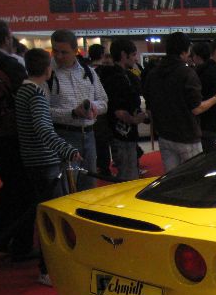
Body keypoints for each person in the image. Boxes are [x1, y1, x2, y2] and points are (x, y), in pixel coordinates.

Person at [14, 48, 81, 285]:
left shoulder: (22, 91)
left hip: (32, 160)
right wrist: (68, 150)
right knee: (51, 219)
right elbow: (43, 129)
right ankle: (48, 268)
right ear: (47, 68)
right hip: (44, 162)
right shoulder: (36, 94)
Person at [143, 31, 216, 172]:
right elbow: (196, 108)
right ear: (185, 50)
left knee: (171, 178)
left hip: (164, 135)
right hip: (187, 136)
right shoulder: (186, 73)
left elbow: (150, 106)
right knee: (193, 178)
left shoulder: (153, 73)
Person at [0, 18, 30, 259]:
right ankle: (20, 244)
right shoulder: (11, 65)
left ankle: (2, 236)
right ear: (6, 38)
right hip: (16, 137)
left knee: (10, 185)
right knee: (24, 189)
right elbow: (27, 100)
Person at [46, 29, 108, 191]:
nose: (59, 56)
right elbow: (43, 112)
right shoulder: (48, 74)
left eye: (64, 52)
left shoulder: (88, 72)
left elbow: (104, 102)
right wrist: (73, 113)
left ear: (75, 51)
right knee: (66, 188)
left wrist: (93, 107)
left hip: (89, 135)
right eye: (55, 51)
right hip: (62, 136)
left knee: (89, 186)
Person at [100, 38, 145, 180]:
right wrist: (134, 119)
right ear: (124, 55)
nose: (135, 58)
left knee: (129, 171)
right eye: (134, 55)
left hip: (125, 133)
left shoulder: (123, 75)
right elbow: (117, 110)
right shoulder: (116, 78)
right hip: (121, 134)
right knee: (128, 174)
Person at [88, 43, 113, 176]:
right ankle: (104, 167)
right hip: (101, 112)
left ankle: (97, 166)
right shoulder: (106, 71)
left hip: (89, 110)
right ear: (102, 55)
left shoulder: (85, 70)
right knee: (103, 141)